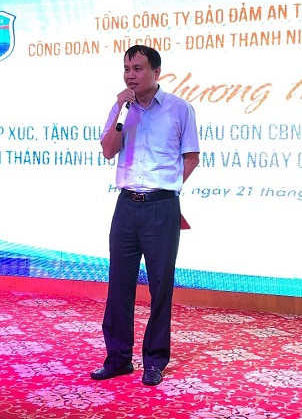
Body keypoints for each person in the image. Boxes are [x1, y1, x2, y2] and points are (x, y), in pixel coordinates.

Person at [90, 45, 200, 386]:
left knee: (160, 286)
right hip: (126, 205)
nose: (130, 75)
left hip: (161, 207)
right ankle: (118, 358)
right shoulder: (122, 108)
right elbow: (108, 151)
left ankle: (154, 360)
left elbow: (191, 157)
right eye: (126, 69)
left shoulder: (179, 109)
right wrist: (120, 112)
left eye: (137, 68)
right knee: (119, 285)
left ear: (156, 72)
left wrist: (168, 186)